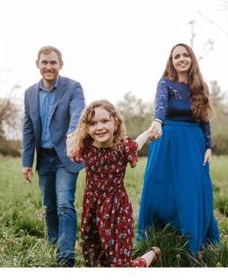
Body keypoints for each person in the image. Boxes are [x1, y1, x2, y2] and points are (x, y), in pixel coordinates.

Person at [137, 44, 220, 256]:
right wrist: (157, 121)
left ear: (191, 59)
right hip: (167, 138)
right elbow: (161, 105)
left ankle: (192, 240)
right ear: (171, 61)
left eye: (185, 55)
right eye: (176, 56)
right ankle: (156, 233)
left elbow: (204, 118)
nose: (181, 59)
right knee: (159, 185)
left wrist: (208, 146)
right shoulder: (165, 83)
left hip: (193, 141)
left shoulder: (200, 86)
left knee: (191, 188)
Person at [68, 99, 160, 268]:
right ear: (86, 128)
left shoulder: (122, 147)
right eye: (93, 123)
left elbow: (138, 144)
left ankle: (152, 254)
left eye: (105, 121)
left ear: (115, 123)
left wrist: (149, 131)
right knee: (95, 261)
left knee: (120, 266)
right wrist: (68, 138)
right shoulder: (85, 148)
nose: (99, 127)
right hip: (93, 209)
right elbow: (71, 151)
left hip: (117, 210)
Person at [21, 46, 85, 267]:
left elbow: (79, 112)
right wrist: (26, 162)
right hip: (44, 158)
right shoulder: (30, 93)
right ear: (37, 64)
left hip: (66, 156)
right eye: (44, 62)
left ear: (61, 65)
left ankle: (66, 258)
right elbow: (28, 128)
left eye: (53, 63)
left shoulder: (73, 87)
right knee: (49, 206)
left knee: (65, 204)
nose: (49, 67)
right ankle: (56, 245)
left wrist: (71, 135)